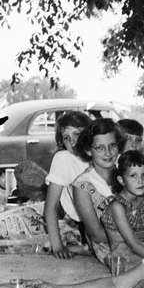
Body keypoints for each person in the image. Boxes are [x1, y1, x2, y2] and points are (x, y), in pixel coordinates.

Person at [71, 118, 125, 265]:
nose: (108, 153)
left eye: (112, 146)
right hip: (109, 249)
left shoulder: (128, 175)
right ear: (88, 150)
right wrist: (135, 236)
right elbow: (97, 235)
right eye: (100, 148)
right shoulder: (82, 186)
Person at [43, 110, 93, 259]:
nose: (72, 141)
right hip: (91, 227)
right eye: (66, 137)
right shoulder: (63, 159)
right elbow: (50, 207)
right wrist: (57, 245)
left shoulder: (100, 154)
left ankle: (88, 248)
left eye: (77, 134)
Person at [100, 150, 144, 268]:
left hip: (140, 248)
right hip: (122, 254)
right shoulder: (117, 206)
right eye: (133, 176)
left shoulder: (143, 199)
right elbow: (133, 243)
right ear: (121, 180)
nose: (140, 181)